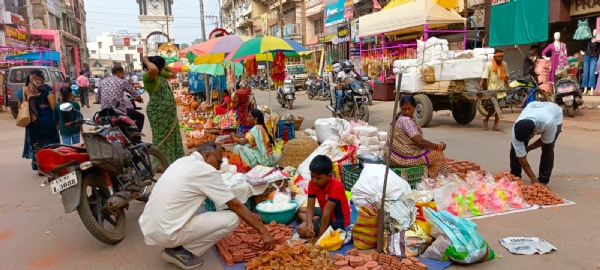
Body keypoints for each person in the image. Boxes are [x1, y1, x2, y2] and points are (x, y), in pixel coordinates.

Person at [139, 142, 275, 270]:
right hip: (166, 232)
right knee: (232, 219)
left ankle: (177, 245)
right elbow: (234, 204)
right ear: (207, 155)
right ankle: (183, 252)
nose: (219, 167)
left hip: (151, 226)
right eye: (219, 161)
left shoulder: (181, 161)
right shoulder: (206, 171)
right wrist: (262, 230)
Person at [384, 95, 450, 177]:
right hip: (400, 158)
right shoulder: (406, 120)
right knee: (437, 154)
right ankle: (432, 180)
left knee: (430, 149)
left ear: (414, 108)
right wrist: (438, 146)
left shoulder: (401, 117)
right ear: (400, 108)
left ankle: (434, 177)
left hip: (391, 154)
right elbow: (420, 141)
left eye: (409, 109)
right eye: (404, 109)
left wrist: (434, 146)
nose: (407, 112)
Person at [142, 55, 185, 164]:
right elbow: (153, 69)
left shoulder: (161, 75)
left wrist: (163, 65)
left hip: (168, 113)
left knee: (171, 136)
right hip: (158, 112)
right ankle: (160, 163)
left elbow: (173, 72)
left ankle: (172, 160)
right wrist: (147, 61)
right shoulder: (149, 76)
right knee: (161, 137)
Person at [296, 155, 351, 241]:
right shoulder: (312, 183)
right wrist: (309, 223)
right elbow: (310, 206)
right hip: (323, 211)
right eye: (312, 176)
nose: (314, 180)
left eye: (318, 178)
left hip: (337, 221)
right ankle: (313, 222)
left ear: (329, 176)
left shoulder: (337, 186)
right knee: (299, 210)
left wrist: (320, 237)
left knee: (301, 229)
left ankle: (315, 224)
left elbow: (326, 213)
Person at [510, 101, 563, 186]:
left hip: (555, 114)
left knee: (548, 148)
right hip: (533, 107)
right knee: (515, 149)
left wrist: (528, 148)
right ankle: (515, 175)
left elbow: (545, 141)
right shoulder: (516, 128)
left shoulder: (548, 122)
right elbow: (520, 156)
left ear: (534, 132)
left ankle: (543, 180)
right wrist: (532, 178)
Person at [17, 69, 60, 173]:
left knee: (37, 143)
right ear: (40, 77)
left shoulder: (23, 90)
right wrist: (58, 120)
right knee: (51, 142)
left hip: (32, 121)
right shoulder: (46, 88)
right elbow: (53, 105)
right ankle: (52, 166)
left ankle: (40, 167)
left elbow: (20, 108)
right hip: (47, 118)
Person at [96, 66, 146, 132]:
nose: (124, 75)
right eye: (123, 73)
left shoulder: (102, 82)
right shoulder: (122, 82)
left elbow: (97, 98)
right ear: (118, 73)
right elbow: (134, 94)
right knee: (140, 117)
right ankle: (137, 137)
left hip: (104, 112)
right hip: (118, 111)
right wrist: (139, 99)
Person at [480, 49, 510, 131]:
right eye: (499, 57)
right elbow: (484, 77)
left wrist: (509, 85)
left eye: (502, 57)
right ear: (494, 57)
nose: (500, 58)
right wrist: (480, 87)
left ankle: (495, 125)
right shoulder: (489, 65)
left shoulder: (504, 64)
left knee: (500, 108)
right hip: (492, 91)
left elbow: (506, 77)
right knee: (493, 108)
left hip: (501, 90)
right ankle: (486, 119)